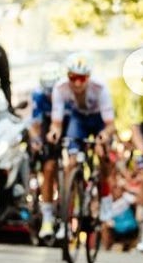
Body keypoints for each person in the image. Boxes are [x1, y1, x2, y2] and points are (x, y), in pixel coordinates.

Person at [47, 54, 117, 234]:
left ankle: (106, 202)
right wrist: (54, 132)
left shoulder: (100, 88)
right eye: (73, 78)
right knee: (71, 163)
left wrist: (103, 137)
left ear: (89, 77)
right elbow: (57, 122)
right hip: (79, 120)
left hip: (99, 120)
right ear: (68, 75)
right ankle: (66, 218)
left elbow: (110, 125)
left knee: (103, 155)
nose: (77, 84)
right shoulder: (60, 88)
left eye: (82, 78)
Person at [30, 62, 64, 242]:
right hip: (46, 129)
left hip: (65, 127)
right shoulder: (38, 95)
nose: (52, 96)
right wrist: (36, 141)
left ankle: (67, 205)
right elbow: (34, 125)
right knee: (49, 167)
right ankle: (47, 218)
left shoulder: (67, 93)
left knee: (67, 168)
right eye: (48, 92)